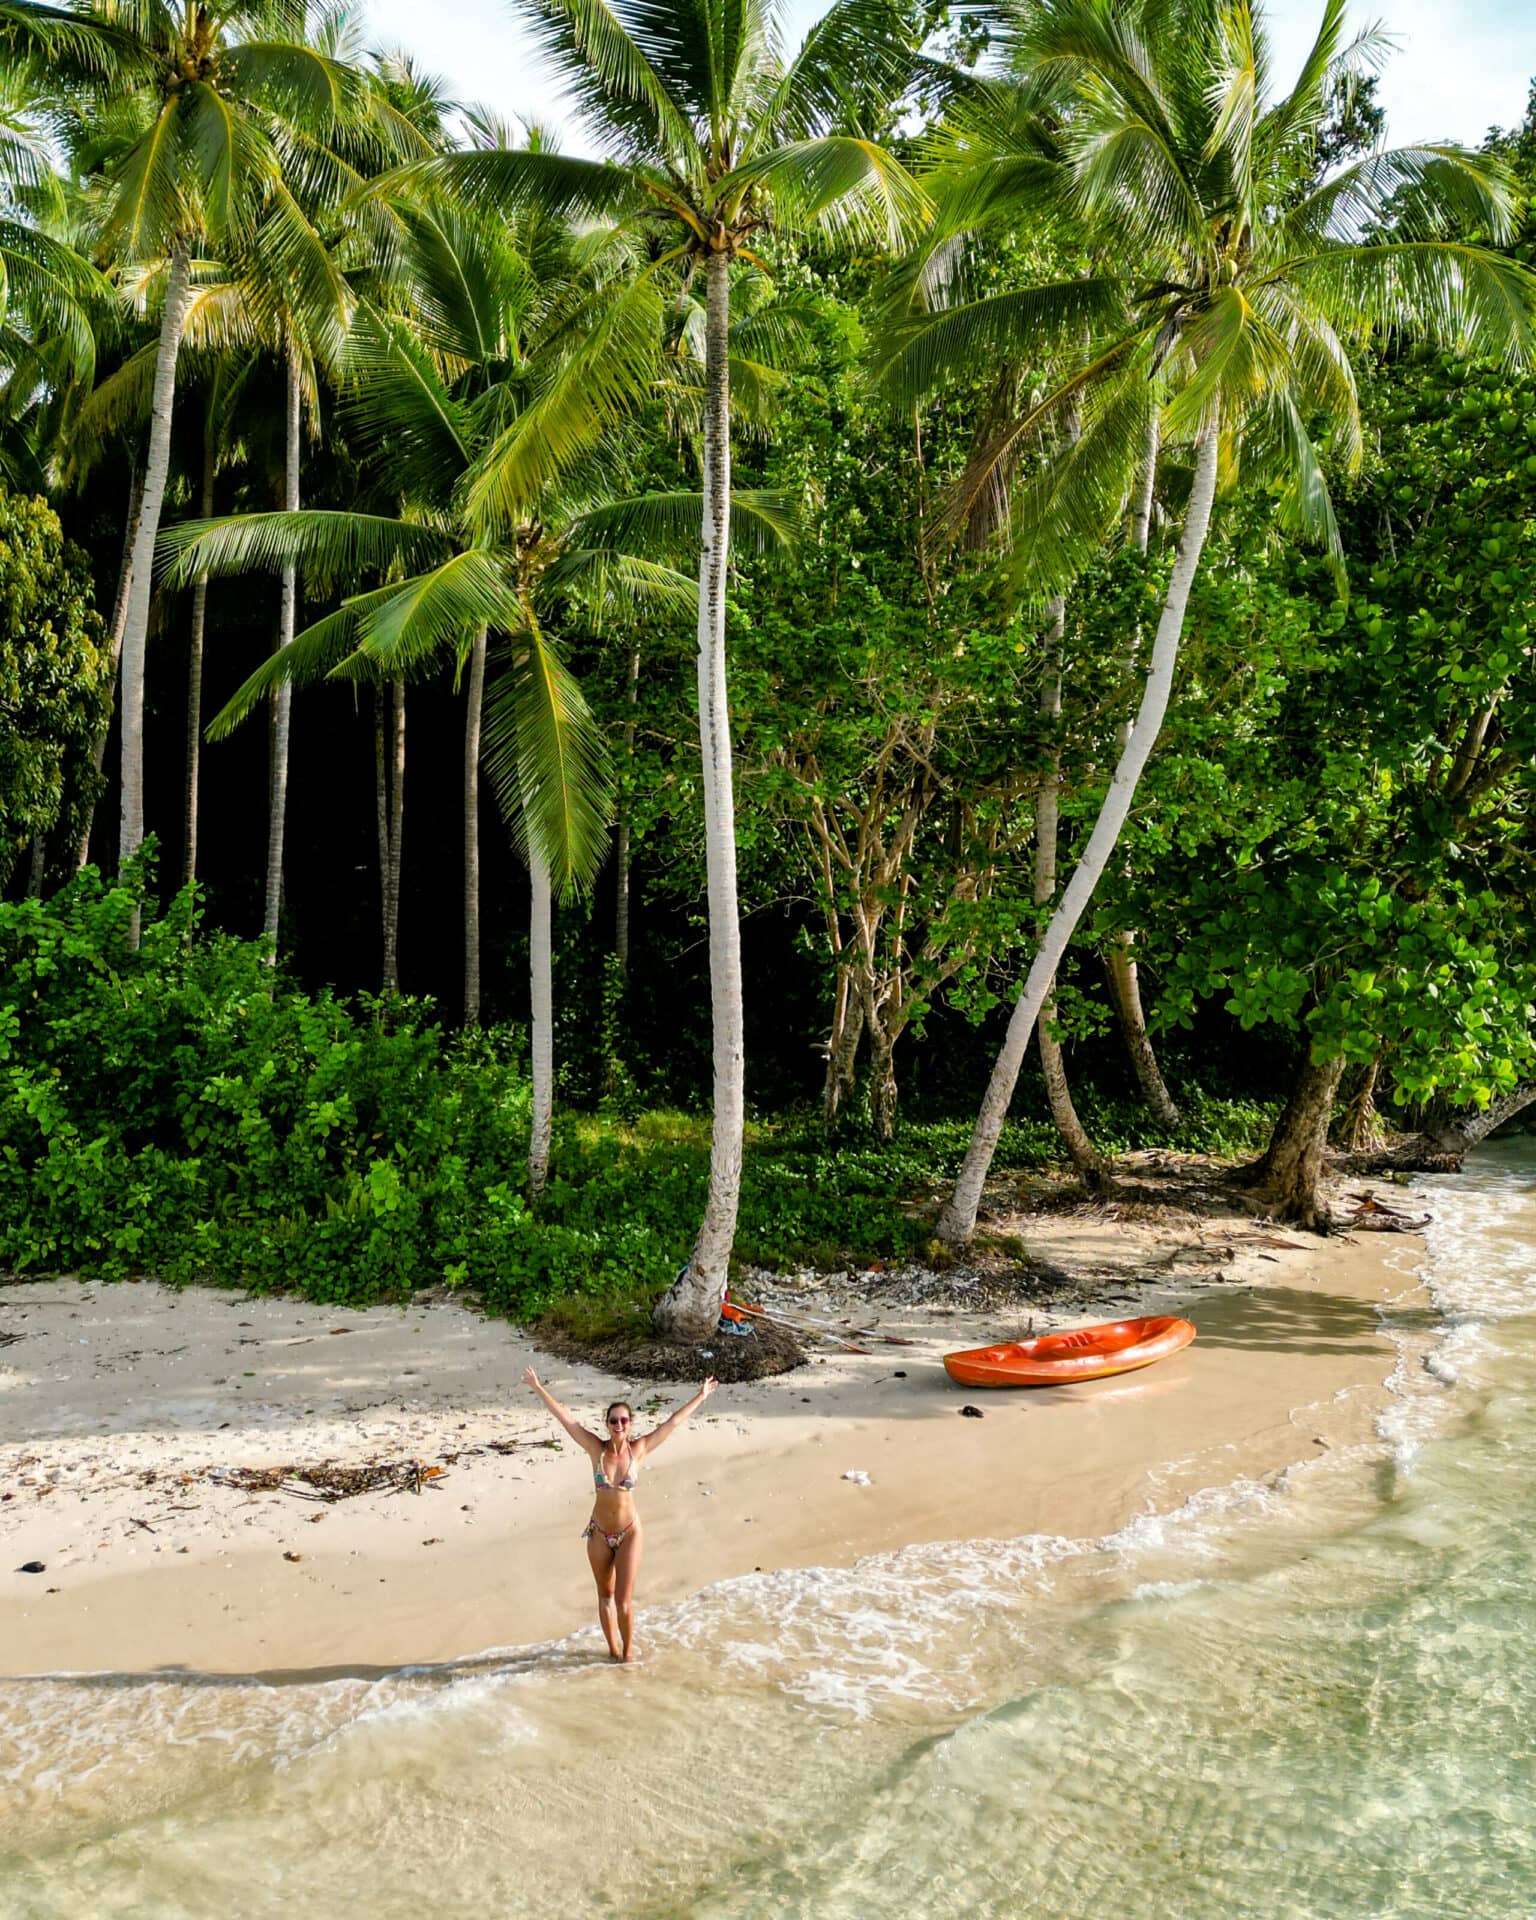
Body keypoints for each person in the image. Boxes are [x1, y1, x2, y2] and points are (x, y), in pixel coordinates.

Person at [522, 1364, 718, 1663]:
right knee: (605, 1596)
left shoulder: (638, 1450)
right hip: (599, 1533)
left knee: (624, 1602)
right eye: (614, 1420)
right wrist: (538, 1388)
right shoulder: (595, 1449)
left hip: (629, 1532)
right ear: (607, 1423)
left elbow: (672, 1423)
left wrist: (701, 1396)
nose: (619, 1424)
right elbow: (567, 1420)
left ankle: (627, 1657)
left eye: (624, 1419)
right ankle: (612, 1652)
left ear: (630, 1423)